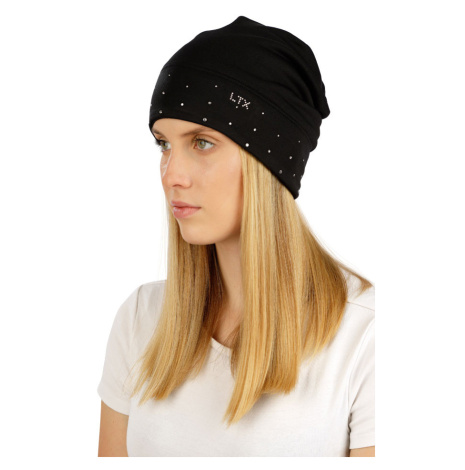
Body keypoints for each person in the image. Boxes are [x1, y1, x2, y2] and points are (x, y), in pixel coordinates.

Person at [97, 15, 375, 457]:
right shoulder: (141, 319)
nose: (172, 174)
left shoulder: (364, 335)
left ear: (268, 163)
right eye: (163, 144)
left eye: (202, 142)